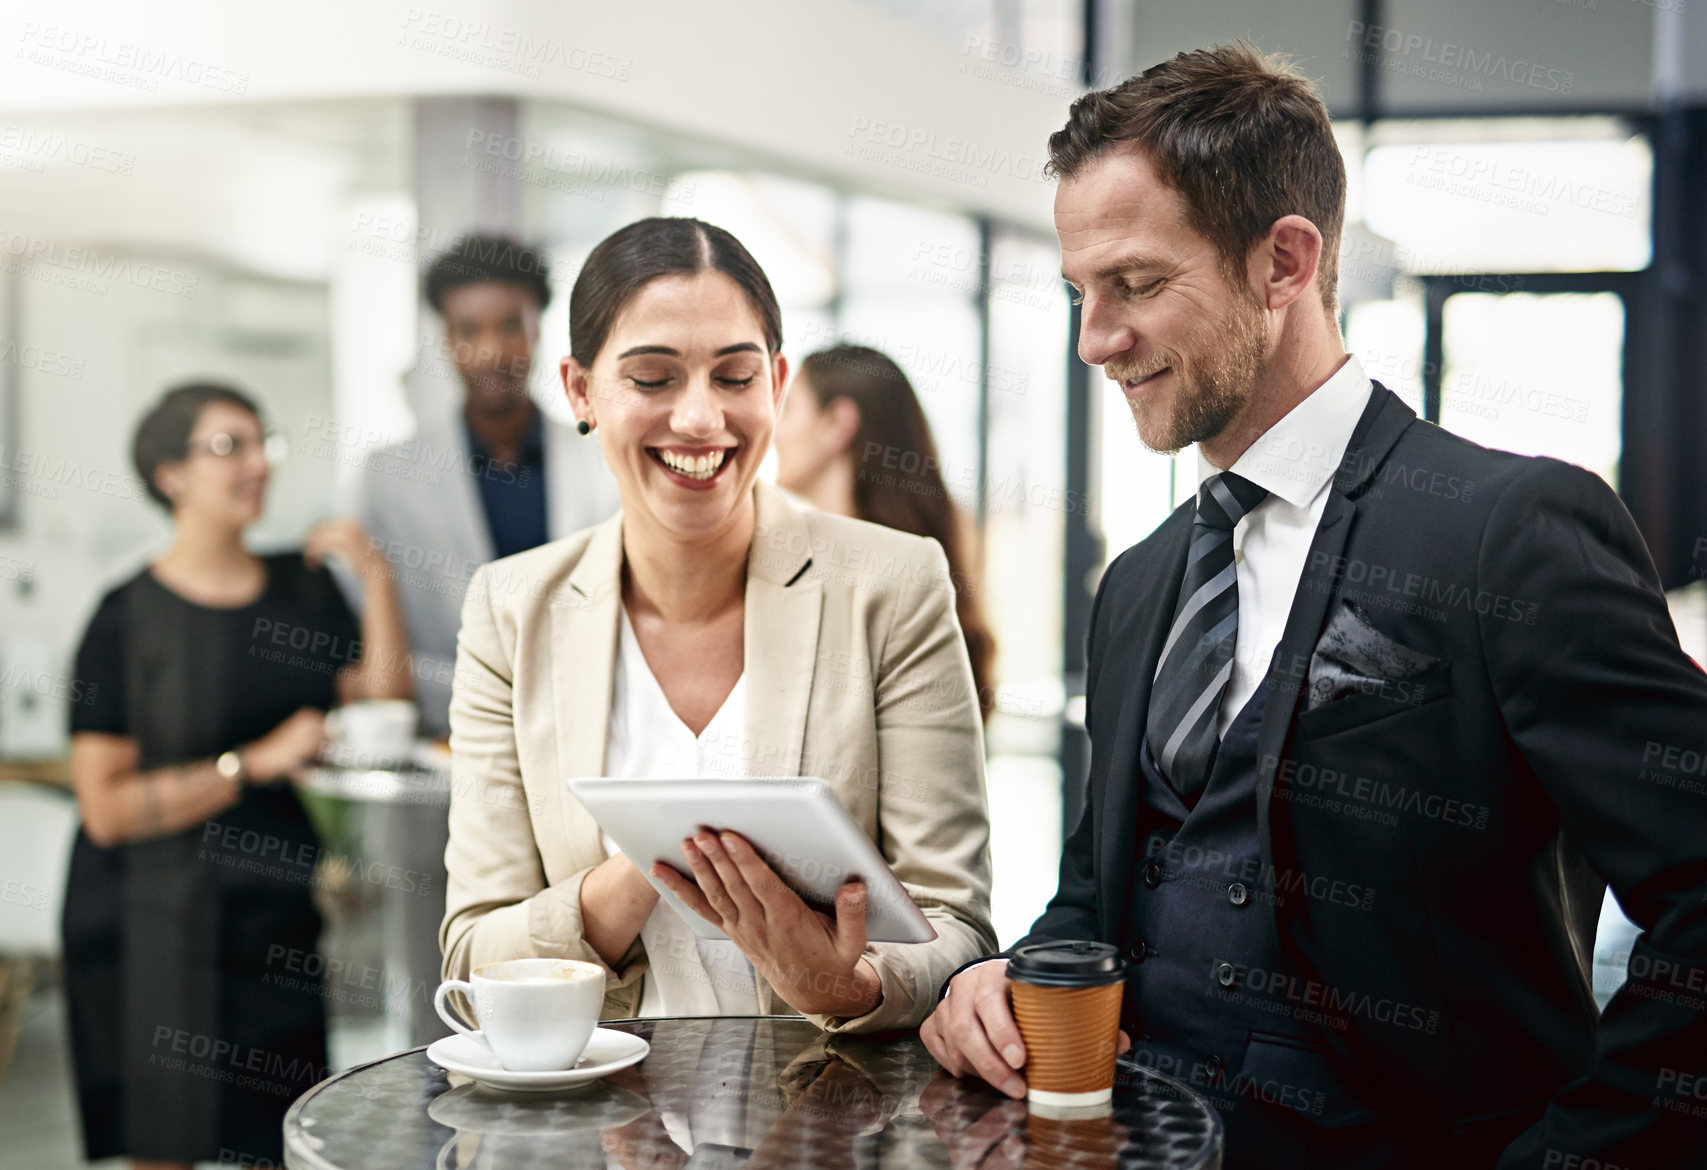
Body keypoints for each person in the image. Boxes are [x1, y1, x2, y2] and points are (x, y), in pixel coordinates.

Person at [921, 44, 1707, 1168]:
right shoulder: (1139, 584)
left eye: (1135, 284)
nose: (1095, 338)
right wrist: (997, 983)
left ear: (1284, 261)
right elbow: (1094, 903)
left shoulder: (1507, 530)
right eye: (1079, 294)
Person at [440, 217, 995, 1032]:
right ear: (579, 391)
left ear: (775, 382)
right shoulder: (511, 608)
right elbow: (471, 954)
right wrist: (646, 864)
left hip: (831, 1123)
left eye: (734, 377)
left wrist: (848, 988)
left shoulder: (890, 586)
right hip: (598, 1132)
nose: (700, 419)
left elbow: (959, 927)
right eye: (653, 379)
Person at [62, 383, 412, 1170]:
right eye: (229, 447)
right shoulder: (123, 619)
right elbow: (106, 810)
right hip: (147, 922)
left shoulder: (303, 586)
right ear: (169, 474)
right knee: (166, 1145)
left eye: (263, 444)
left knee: (283, 1140)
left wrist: (377, 575)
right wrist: (251, 763)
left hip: (273, 922)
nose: (258, 464)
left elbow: (385, 707)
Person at [351, 232, 619, 737]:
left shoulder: (604, 462)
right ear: (446, 338)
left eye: (510, 327)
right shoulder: (390, 478)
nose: (492, 351)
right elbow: (381, 636)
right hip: (445, 740)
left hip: (587, 729)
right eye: (468, 330)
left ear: (539, 330)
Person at [774, 344, 997, 722]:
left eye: (790, 408)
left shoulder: (889, 577)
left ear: (836, 425)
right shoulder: (799, 555)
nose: (775, 431)